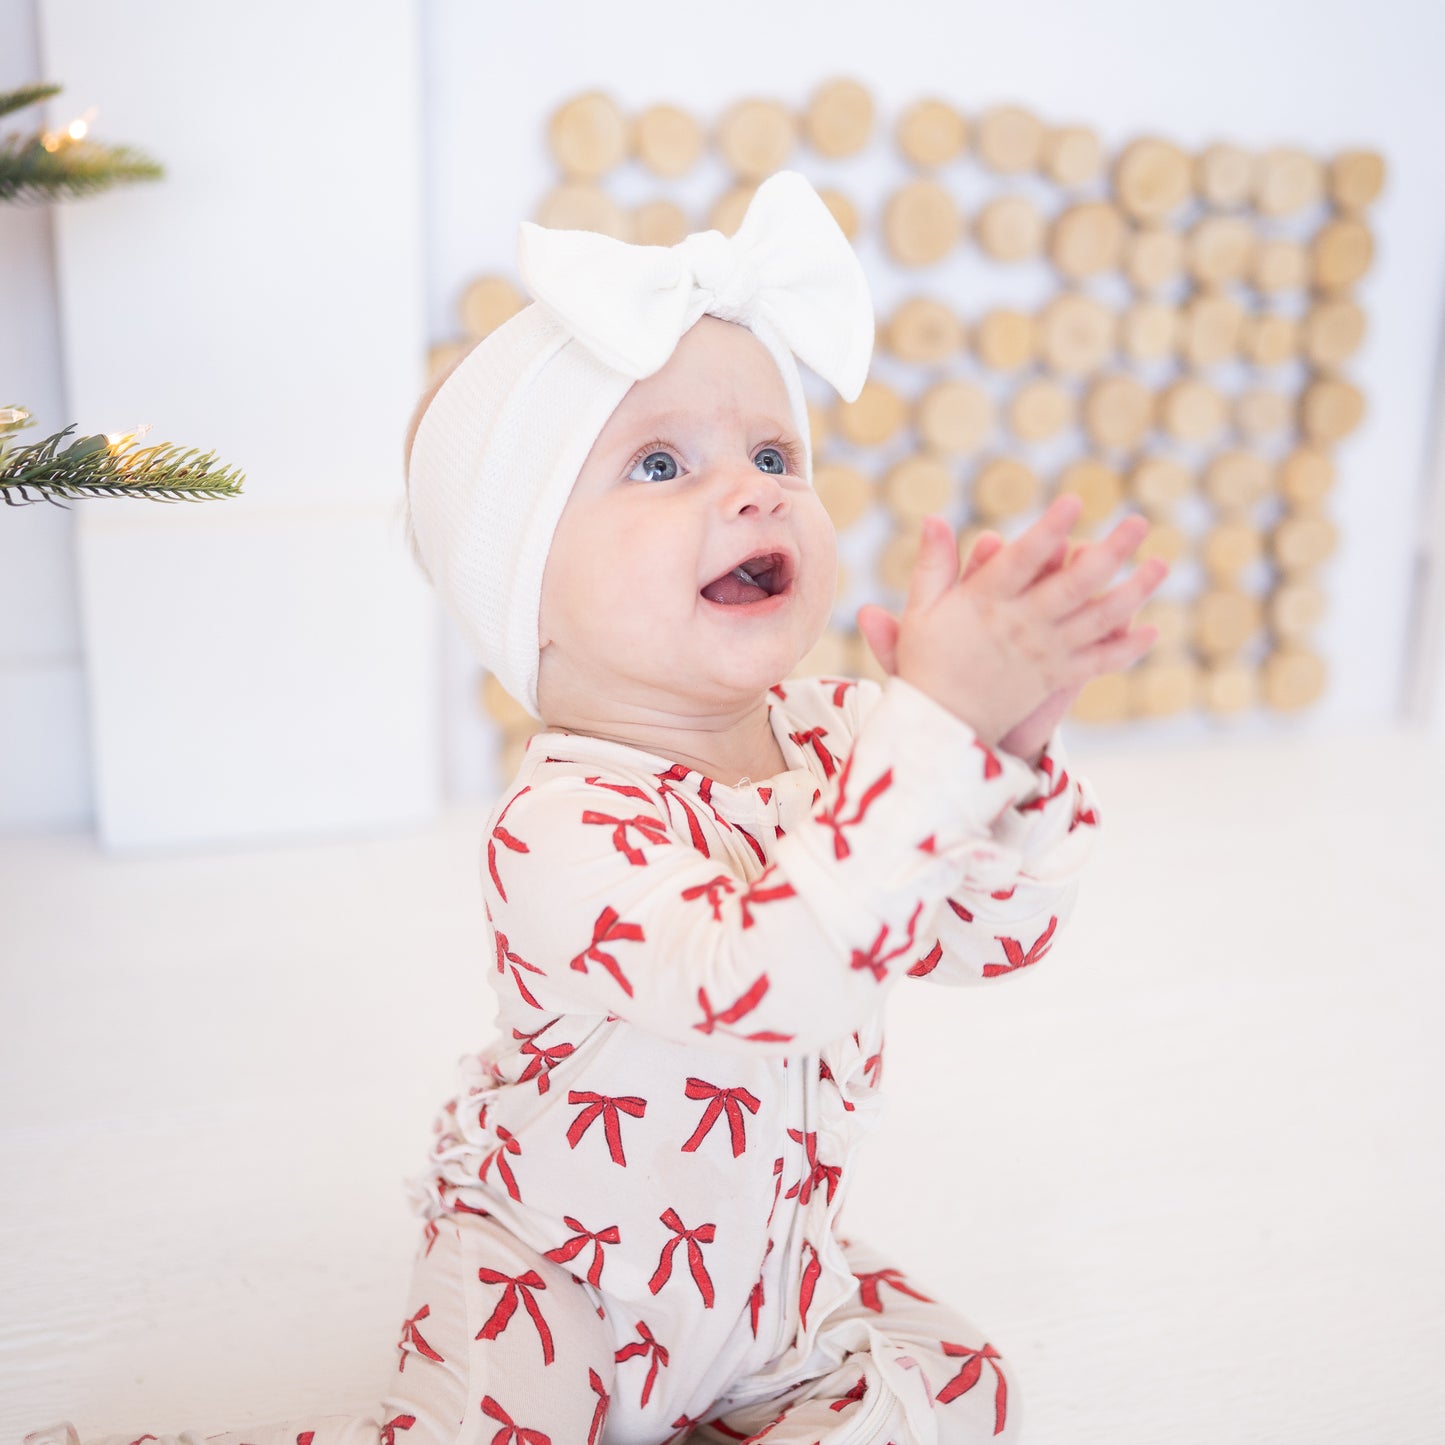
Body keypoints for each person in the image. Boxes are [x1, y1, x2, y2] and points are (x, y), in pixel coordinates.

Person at [27, 169, 1164, 1445]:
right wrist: (930, 737)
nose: (753, 488)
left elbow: (992, 938)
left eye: (774, 454)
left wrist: (1002, 752)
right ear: (529, 597)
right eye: (660, 463)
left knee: (965, 1382)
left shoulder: (848, 734)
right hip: (561, 1273)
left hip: (766, 1278)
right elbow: (764, 980)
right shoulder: (557, 828)